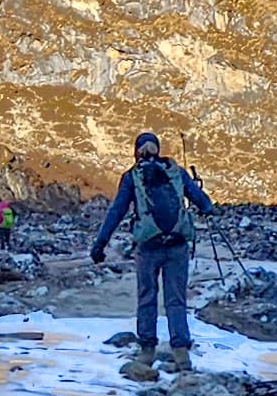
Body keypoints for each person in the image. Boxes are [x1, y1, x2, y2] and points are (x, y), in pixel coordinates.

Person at [87, 131, 215, 377]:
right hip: (177, 244)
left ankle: (147, 352)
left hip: (148, 246)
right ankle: (181, 354)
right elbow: (199, 199)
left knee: (147, 297)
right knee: (176, 299)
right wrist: (207, 207)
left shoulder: (132, 177)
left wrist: (100, 244)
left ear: (136, 152)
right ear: (158, 149)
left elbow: (117, 211)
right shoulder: (175, 171)